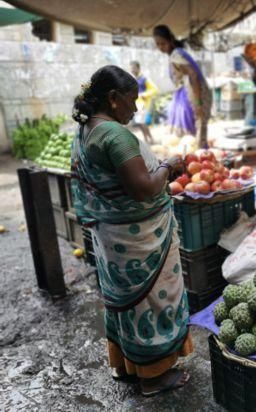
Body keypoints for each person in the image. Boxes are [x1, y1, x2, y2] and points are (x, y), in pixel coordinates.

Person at [70, 65, 193, 396]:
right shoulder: (114, 135)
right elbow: (142, 189)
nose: (135, 108)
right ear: (112, 99)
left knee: (126, 304)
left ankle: (128, 366)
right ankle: (153, 376)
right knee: (153, 301)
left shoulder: (86, 132)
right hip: (140, 242)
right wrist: (169, 166)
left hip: (113, 241)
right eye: (131, 100)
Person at [153, 25, 212, 148]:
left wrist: (198, 103)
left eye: (163, 43)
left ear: (170, 40)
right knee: (192, 136)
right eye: (157, 44)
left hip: (193, 96)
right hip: (190, 95)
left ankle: (197, 162)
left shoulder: (176, 55)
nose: (160, 47)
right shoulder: (178, 53)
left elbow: (193, 75)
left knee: (192, 137)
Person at [130, 61, 158, 145]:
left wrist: (144, 94)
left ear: (138, 68)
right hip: (136, 104)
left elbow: (155, 89)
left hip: (144, 104)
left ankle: (151, 139)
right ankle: (146, 139)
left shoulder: (144, 78)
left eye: (134, 68)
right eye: (131, 68)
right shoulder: (134, 79)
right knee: (139, 123)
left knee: (142, 122)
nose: (132, 70)